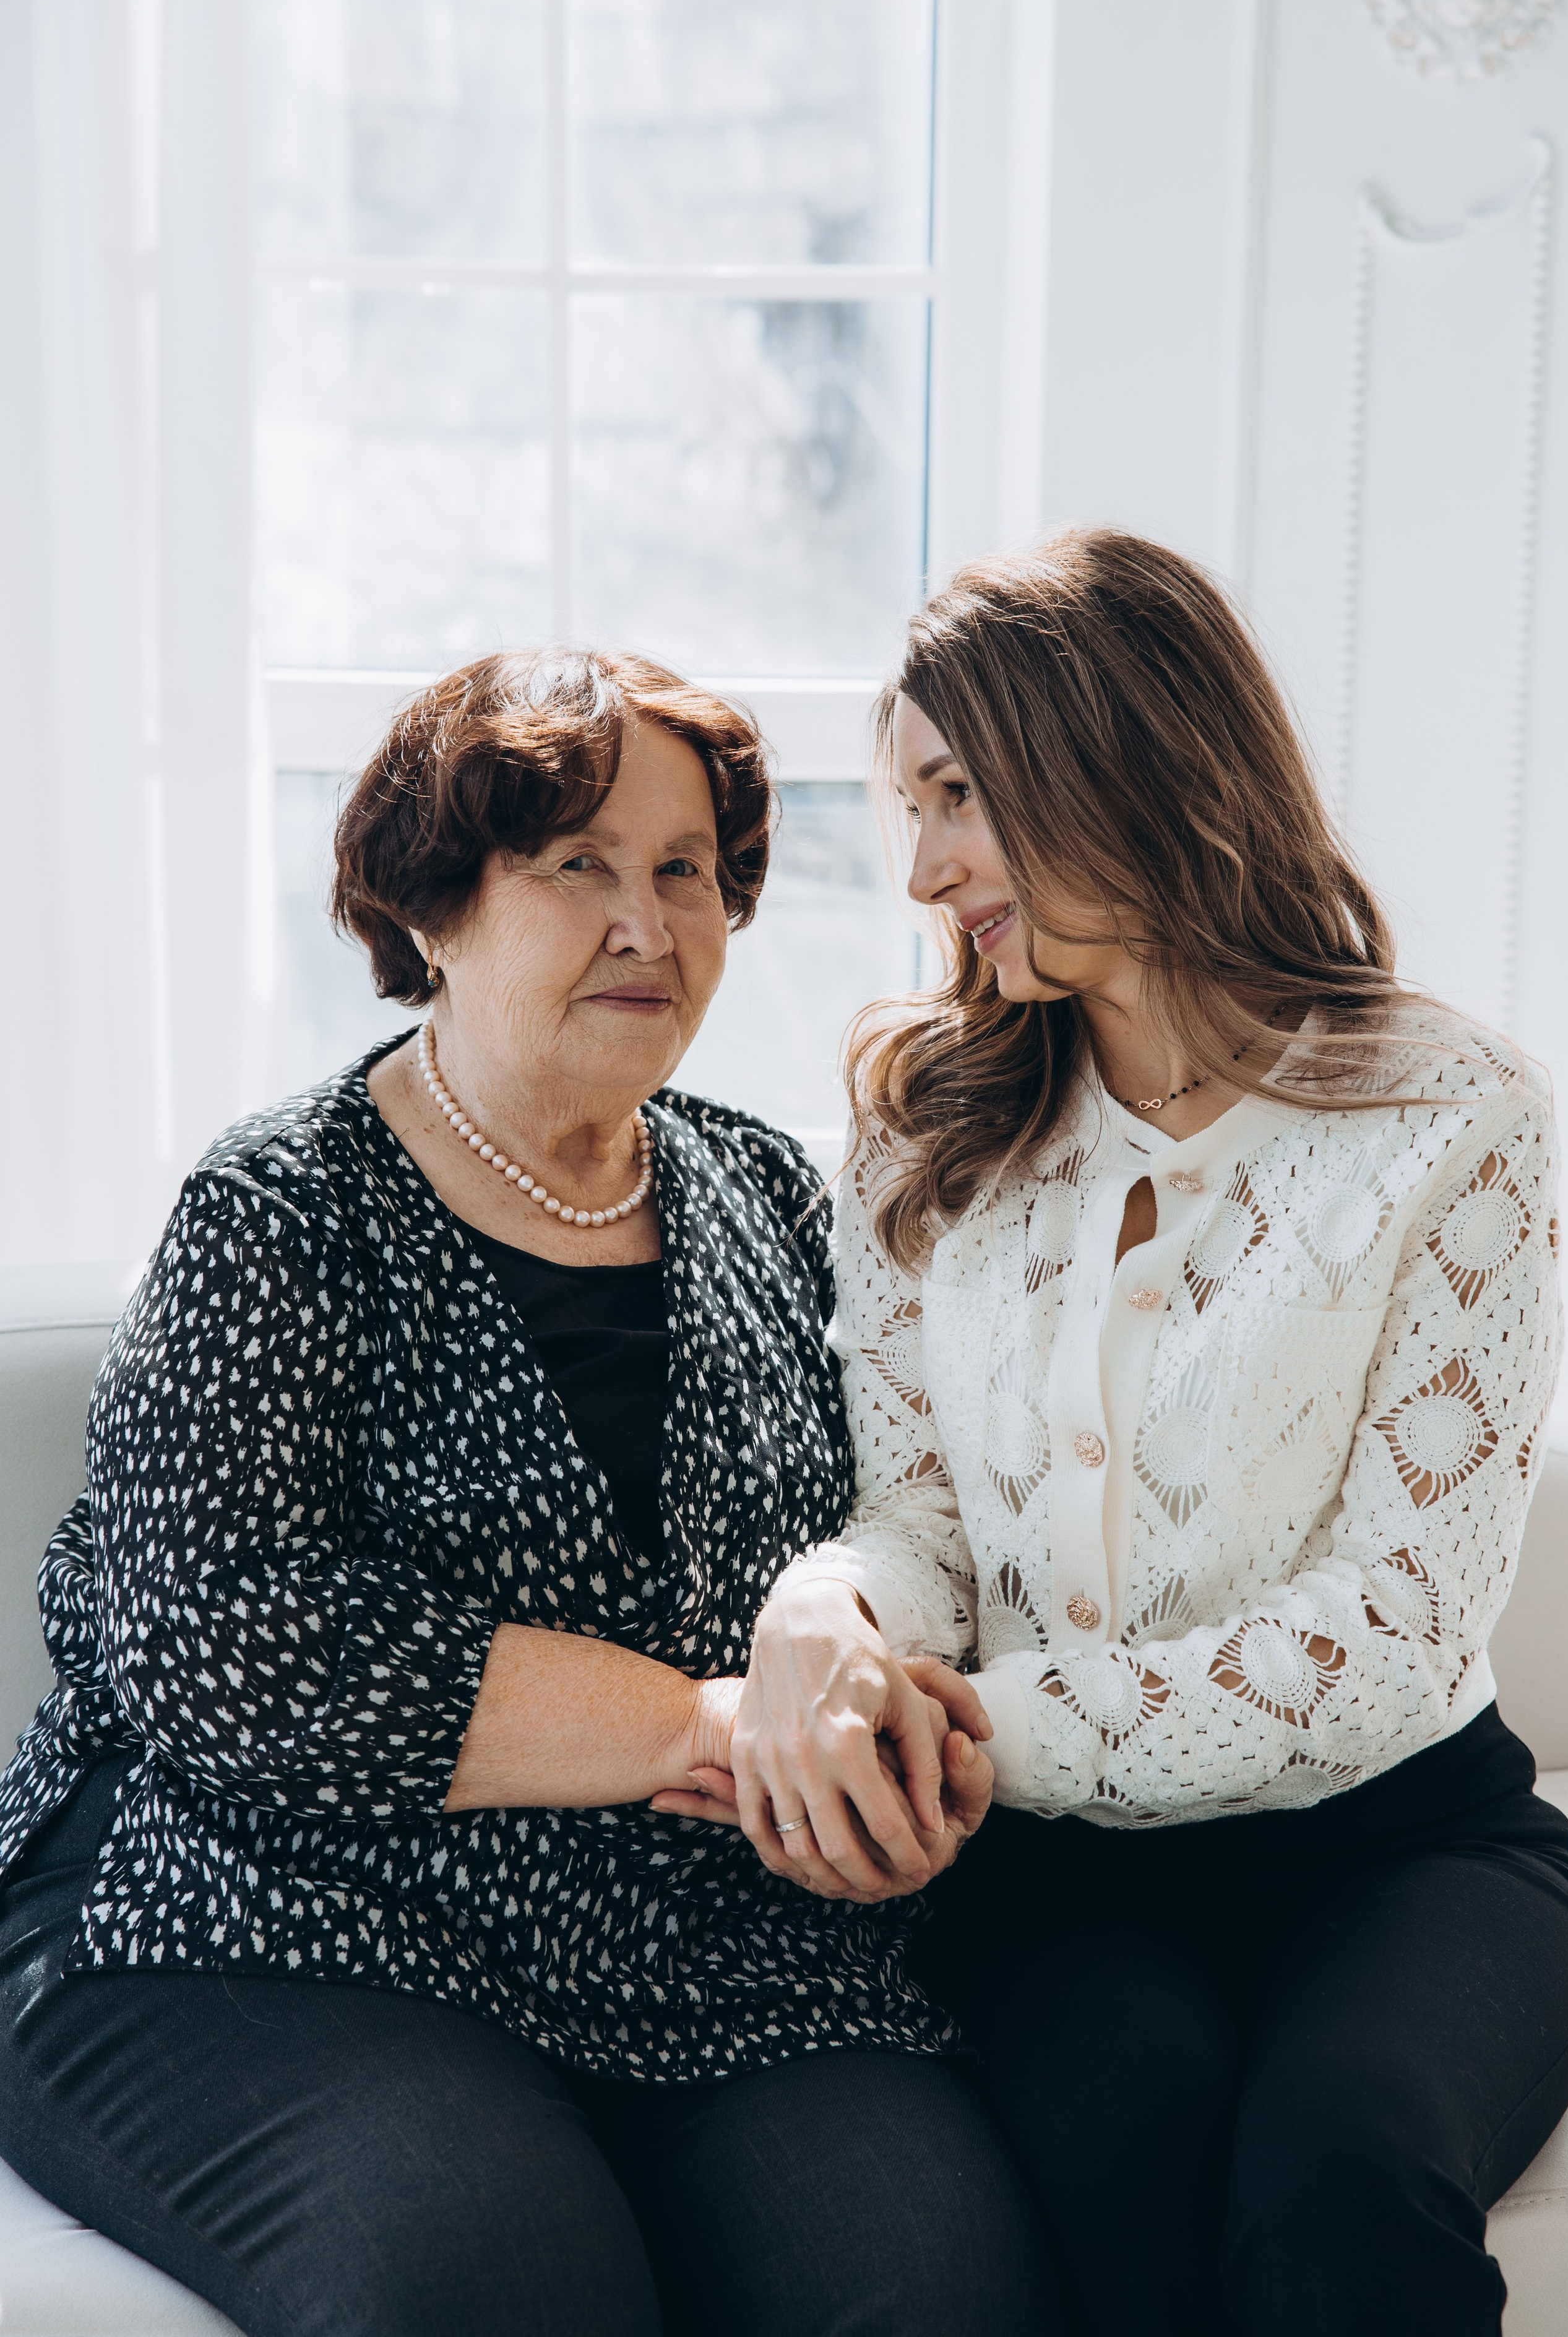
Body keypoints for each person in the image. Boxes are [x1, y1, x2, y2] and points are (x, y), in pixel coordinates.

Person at [0, 649, 1054, 2337]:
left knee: (936, 2289)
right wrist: (712, 1730)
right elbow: (225, 1643)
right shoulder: (282, 1211)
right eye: (577, 866)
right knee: (503, 2284)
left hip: (697, 1941)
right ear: (432, 907)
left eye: (686, 871)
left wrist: (863, 1763)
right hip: (266, 1920)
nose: (647, 924)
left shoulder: (766, 1190)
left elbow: (894, 1535)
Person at [681, 533, 1568, 2336]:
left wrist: (965, 1740)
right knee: (1131, 2171)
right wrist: (825, 1613)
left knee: (1348, 2175)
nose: (926, 870)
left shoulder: (1454, 1118)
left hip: (1402, 1844)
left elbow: (1393, 1630)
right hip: (1061, 1884)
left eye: (956, 796)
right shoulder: (925, 1132)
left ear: (1119, 751)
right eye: (910, 807)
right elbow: (922, 1511)